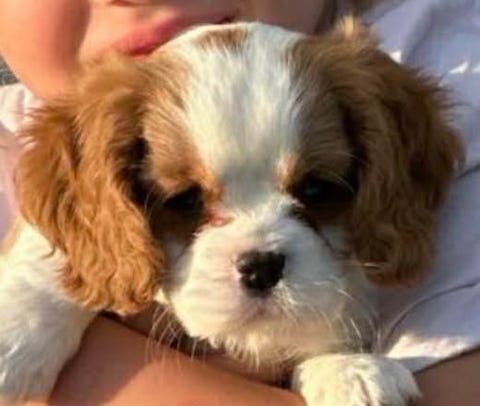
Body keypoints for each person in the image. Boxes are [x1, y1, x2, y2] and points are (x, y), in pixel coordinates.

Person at [0, 1, 479, 405]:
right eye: (184, 202)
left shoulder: (453, 53)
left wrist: (329, 367)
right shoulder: (33, 145)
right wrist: (45, 306)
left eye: (316, 192)